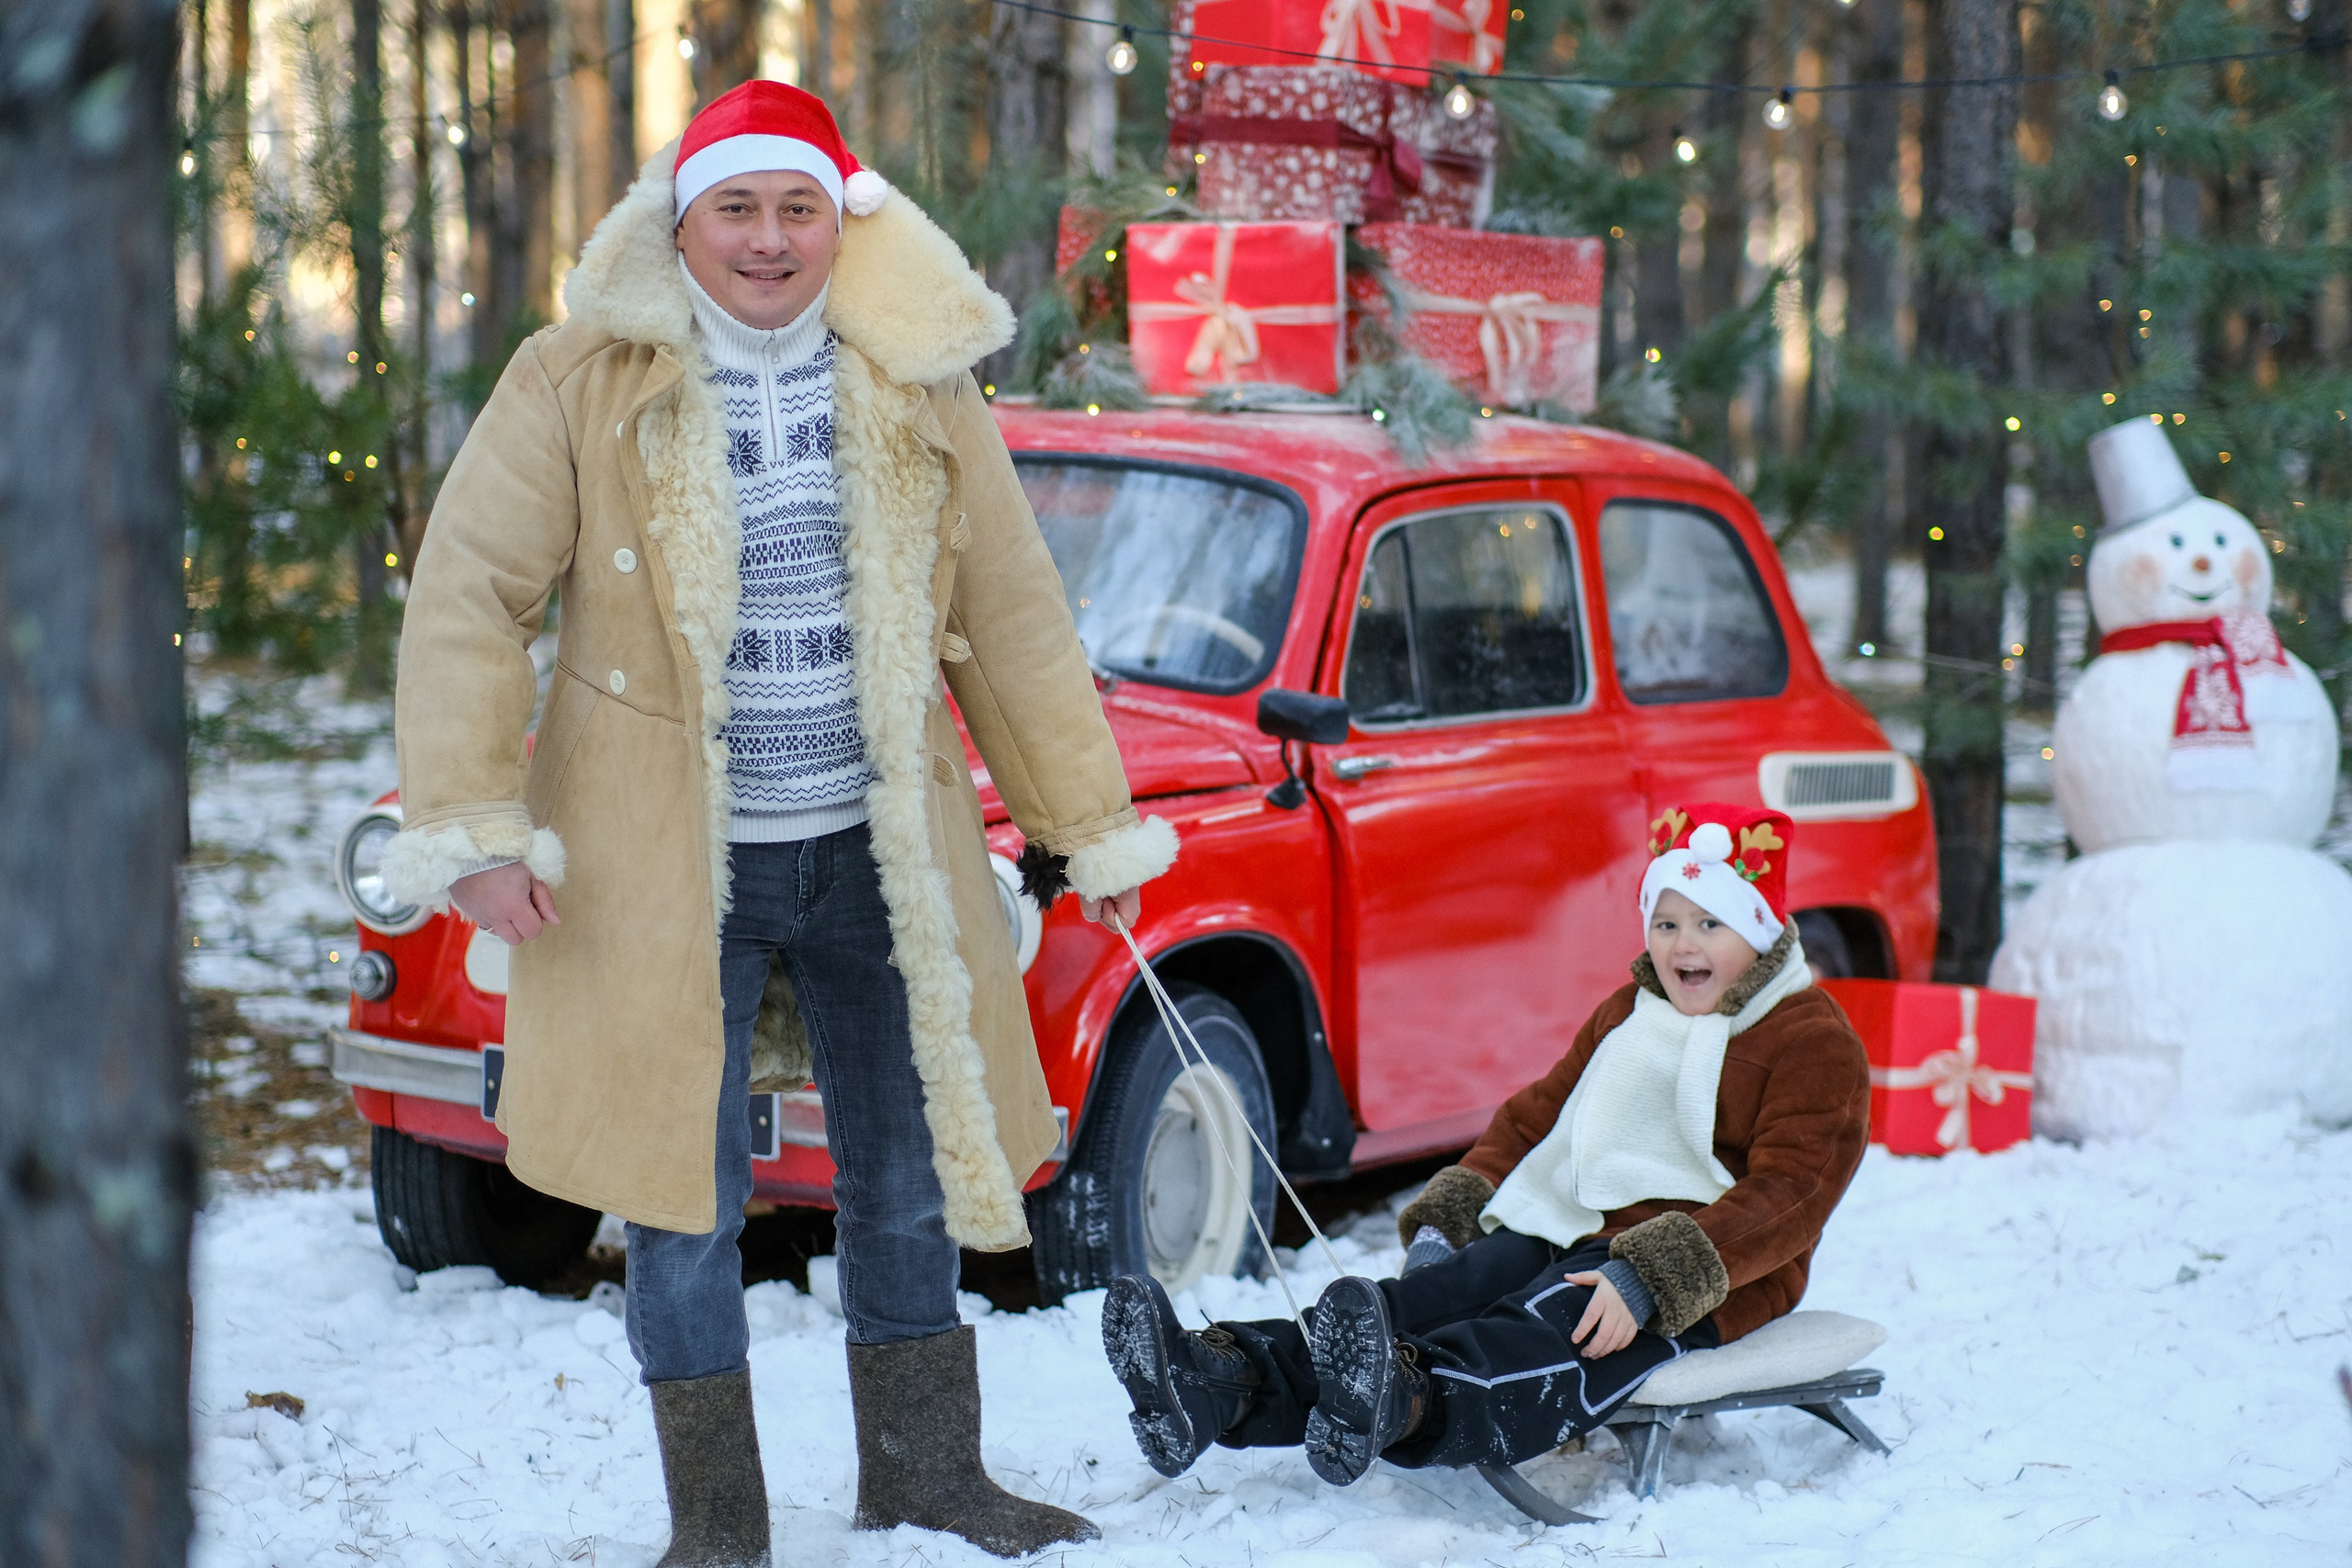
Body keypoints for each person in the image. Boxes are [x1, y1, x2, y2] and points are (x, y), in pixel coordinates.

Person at [381, 80, 1179, 1565]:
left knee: (907, 1170)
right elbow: (470, 598)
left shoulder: (912, 376)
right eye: (735, 208)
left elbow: (1011, 612)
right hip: (663, 862)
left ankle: (929, 1476)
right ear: (680, 222)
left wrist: (1085, 821)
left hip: (879, 849)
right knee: (678, 1189)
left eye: (796, 208)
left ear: (839, 221)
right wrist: (476, 827)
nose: (766, 239)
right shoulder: (577, 377)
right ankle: (718, 1521)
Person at [1103, 803, 1868, 1484]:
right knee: (1426, 1298)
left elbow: (1794, 1190)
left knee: (1544, 1326)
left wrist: (1652, 1277)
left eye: (1710, 924)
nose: (1682, 945)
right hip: (1567, 1219)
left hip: (1700, 1270)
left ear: (1759, 932)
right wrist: (1453, 1215)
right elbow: (1536, 1116)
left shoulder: (1809, 1037)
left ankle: (1407, 1399)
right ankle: (1223, 1382)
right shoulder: (1631, 1011)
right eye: (1666, 923)